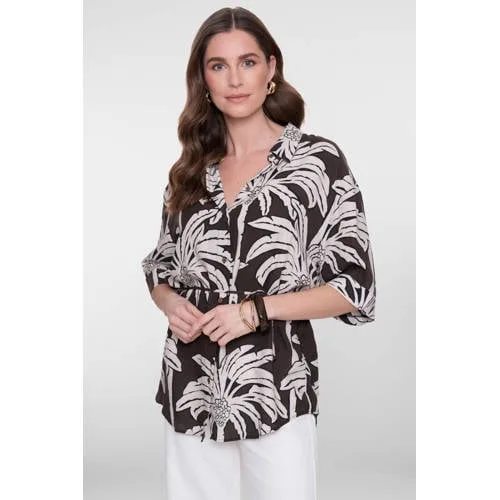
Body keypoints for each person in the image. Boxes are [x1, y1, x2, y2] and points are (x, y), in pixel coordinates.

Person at [141, 6, 376, 500]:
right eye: (218, 65)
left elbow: (355, 287)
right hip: (191, 382)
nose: (234, 79)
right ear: (203, 79)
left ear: (271, 68)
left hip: (277, 386)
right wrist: (171, 303)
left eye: (247, 62)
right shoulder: (190, 170)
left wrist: (255, 311)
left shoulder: (316, 163)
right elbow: (160, 269)